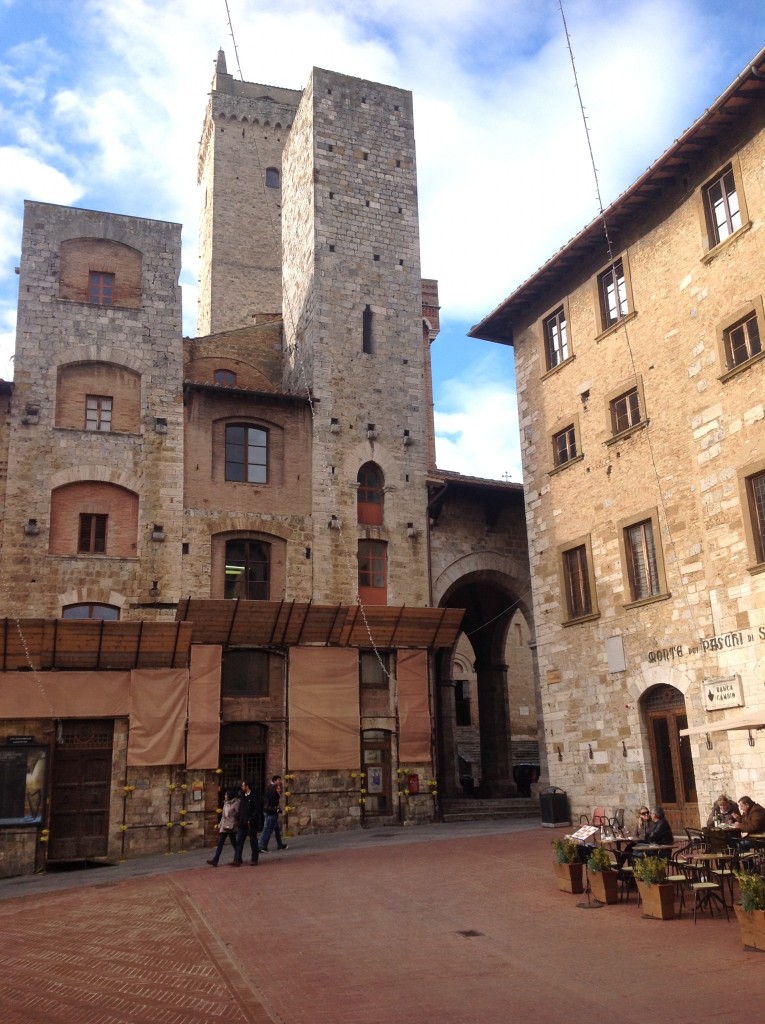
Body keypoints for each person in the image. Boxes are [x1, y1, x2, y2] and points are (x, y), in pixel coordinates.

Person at [207, 787, 239, 866]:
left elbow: (238, 813)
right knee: (220, 842)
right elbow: (223, 816)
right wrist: (220, 824)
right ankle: (215, 860)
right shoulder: (226, 803)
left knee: (234, 843)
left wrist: (236, 822)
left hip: (231, 825)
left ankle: (238, 857)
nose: (225, 796)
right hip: (225, 825)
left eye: (226, 795)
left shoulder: (236, 803)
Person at [231, 780, 260, 866]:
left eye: (243, 786)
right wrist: (238, 818)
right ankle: (237, 859)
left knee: (253, 841)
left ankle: (254, 859)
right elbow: (241, 809)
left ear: (247, 786)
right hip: (242, 822)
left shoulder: (254, 796)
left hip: (251, 823)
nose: (242, 787)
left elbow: (256, 809)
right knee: (239, 841)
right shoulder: (242, 797)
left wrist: (251, 819)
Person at [260, 774, 288, 852]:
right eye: (278, 780)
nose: (280, 782)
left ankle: (279, 844)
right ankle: (262, 846)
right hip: (270, 813)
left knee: (276, 829)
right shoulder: (273, 789)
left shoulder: (271, 788)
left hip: (270, 812)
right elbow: (272, 803)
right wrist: (277, 810)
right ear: (275, 781)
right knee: (267, 830)